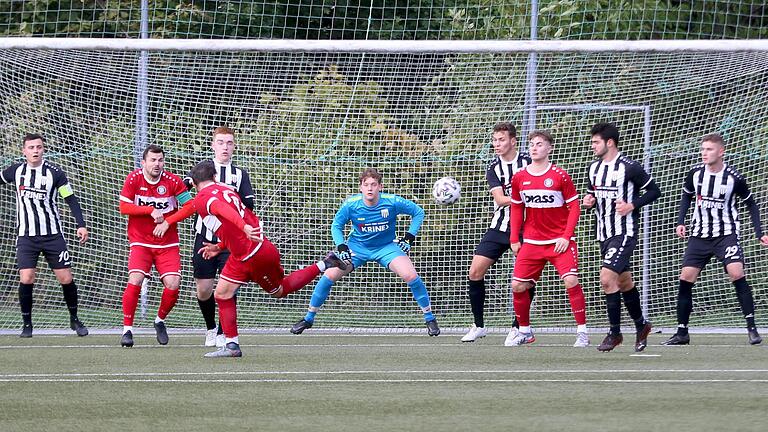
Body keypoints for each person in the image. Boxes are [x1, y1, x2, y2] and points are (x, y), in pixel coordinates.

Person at [189, 160, 347, 357]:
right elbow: (232, 225)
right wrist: (220, 246)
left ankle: (231, 345)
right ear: (214, 177)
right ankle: (231, 344)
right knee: (227, 293)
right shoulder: (227, 189)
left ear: (196, 185)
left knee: (272, 291)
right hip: (255, 249)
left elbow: (222, 210)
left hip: (250, 256)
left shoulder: (204, 198)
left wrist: (242, 227)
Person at [290, 167, 440, 337]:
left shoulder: (392, 202)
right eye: (366, 184)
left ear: (380, 187)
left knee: (411, 276)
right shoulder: (351, 205)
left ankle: (429, 318)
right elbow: (336, 225)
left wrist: (409, 237)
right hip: (357, 248)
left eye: (374, 184)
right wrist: (342, 246)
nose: (370, 188)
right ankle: (308, 319)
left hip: (386, 247)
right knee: (329, 276)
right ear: (360, 187)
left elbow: (418, 212)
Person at [663, 133, 768, 346]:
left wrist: (760, 232)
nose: (704, 153)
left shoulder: (734, 178)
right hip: (699, 236)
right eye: (703, 149)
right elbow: (686, 196)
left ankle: (752, 329)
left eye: (709, 149)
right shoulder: (695, 174)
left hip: (725, 235)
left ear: (721, 152)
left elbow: (752, 205)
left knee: (736, 272)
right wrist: (680, 221)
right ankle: (682, 332)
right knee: (686, 278)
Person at [0, 134, 89, 338]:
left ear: (43, 149)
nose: (35, 151)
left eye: (39, 147)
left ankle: (75, 319)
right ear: (24, 151)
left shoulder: (55, 173)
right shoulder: (15, 171)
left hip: (52, 236)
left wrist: (81, 225)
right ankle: (27, 324)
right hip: (26, 237)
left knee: (66, 278)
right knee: (27, 277)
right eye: (31, 147)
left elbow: (71, 199)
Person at [506, 130, 589, 347]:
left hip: (559, 242)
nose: (534, 148)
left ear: (550, 148)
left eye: (540, 144)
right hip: (532, 242)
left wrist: (566, 236)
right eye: (532, 144)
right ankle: (524, 331)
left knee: (571, 280)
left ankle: (582, 332)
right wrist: (515, 238)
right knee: (517, 286)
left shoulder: (560, 175)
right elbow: (516, 208)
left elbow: (574, 207)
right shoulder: (520, 177)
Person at [582, 123, 660, 352]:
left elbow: (655, 191)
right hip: (603, 234)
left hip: (624, 232)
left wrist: (632, 205)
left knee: (607, 279)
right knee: (624, 282)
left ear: (610, 142)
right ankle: (641, 325)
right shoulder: (593, 168)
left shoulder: (630, 167)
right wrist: (589, 202)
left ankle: (614, 333)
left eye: (596, 142)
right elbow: (591, 195)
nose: (592, 146)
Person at [461, 122, 534, 343]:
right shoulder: (493, 167)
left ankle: (519, 327)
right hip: (500, 227)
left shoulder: (528, 163)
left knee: (525, 279)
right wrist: (523, 198)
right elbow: (500, 199)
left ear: (513, 141)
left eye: (501, 139)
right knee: (475, 271)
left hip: (526, 228)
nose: (496, 144)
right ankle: (479, 325)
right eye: (494, 140)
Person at [183, 126, 255, 348]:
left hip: (230, 242)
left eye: (229, 143)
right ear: (213, 145)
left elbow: (249, 204)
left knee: (228, 286)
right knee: (204, 289)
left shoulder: (240, 174)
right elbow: (184, 191)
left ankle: (226, 332)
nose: (225, 147)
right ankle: (211, 328)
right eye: (221, 142)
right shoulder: (202, 170)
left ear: (234, 146)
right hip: (204, 237)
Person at [118, 144, 196, 348]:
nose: (157, 164)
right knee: (135, 278)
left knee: (173, 283)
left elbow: (190, 206)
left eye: (160, 160)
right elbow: (123, 207)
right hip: (141, 241)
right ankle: (127, 330)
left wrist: (168, 222)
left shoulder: (172, 181)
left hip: (167, 243)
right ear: (143, 162)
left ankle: (159, 320)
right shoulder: (134, 179)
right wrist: (149, 210)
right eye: (153, 160)